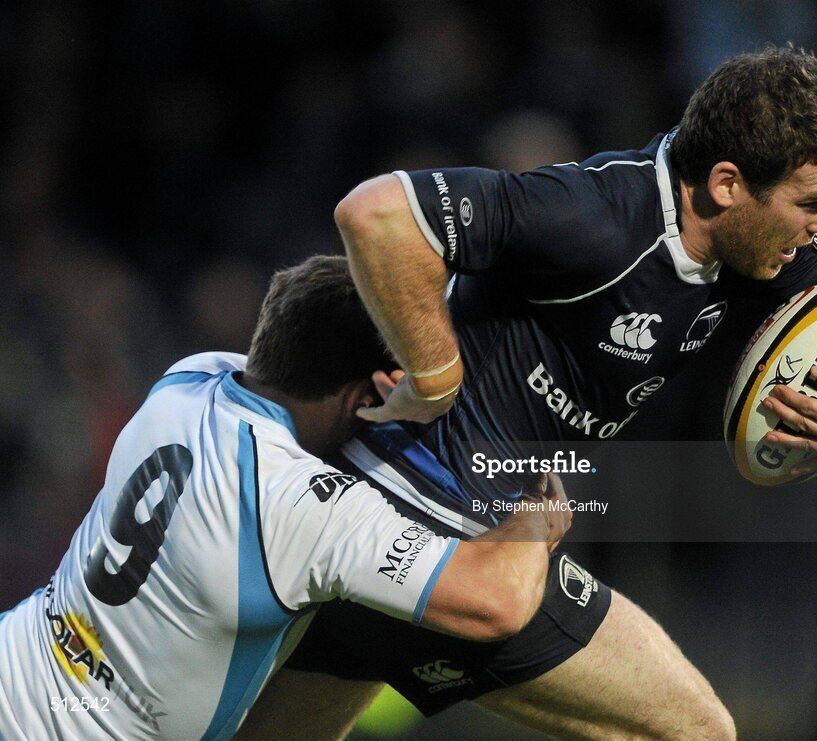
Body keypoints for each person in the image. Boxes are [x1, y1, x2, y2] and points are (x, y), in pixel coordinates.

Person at [258, 45, 817, 739]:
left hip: (395, 529)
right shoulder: (597, 216)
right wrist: (436, 377)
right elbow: (376, 215)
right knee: (695, 730)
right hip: (446, 524)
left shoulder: (757, 241)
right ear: (728, 183)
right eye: (812, 205)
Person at [0, 256, 571, 740]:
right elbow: (498, 601)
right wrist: (535, 510)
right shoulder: (303, 508)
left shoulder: (189, 377)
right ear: (365, 394)